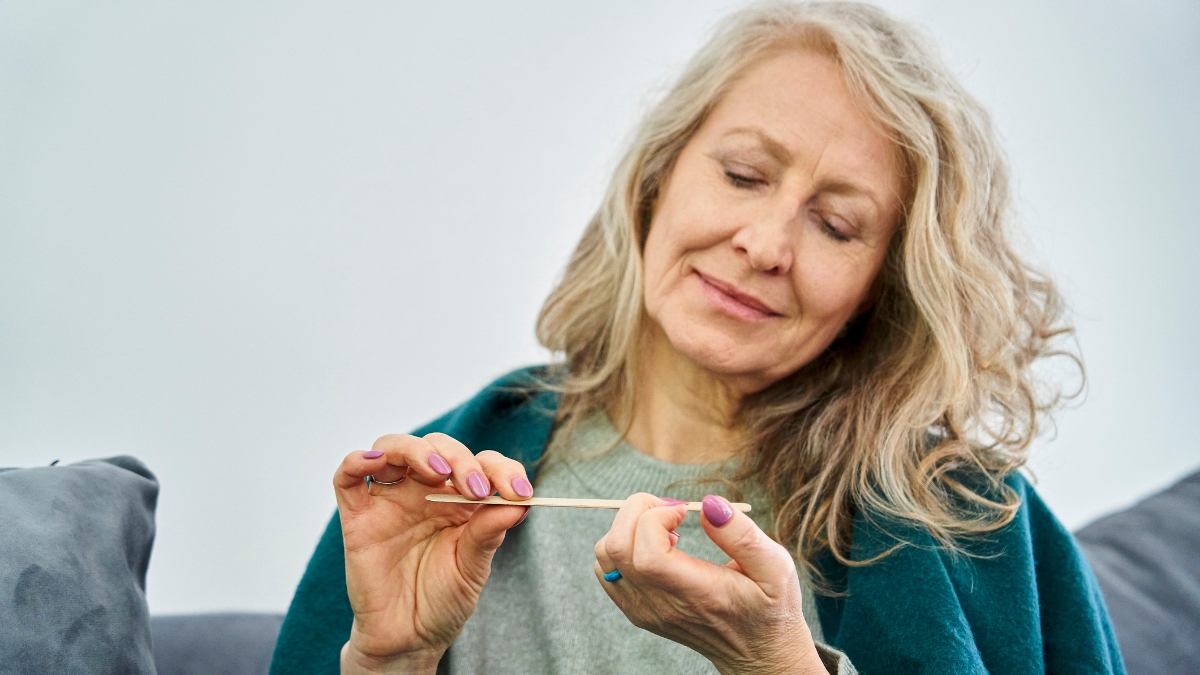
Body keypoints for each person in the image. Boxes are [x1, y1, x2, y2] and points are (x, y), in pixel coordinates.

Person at [270, 2, 1125, 674]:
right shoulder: (453, 473)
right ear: (657, 176)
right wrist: (393, 659)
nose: (766, 243)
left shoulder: (966, 518)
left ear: (881, 290)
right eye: (744, 174)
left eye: (835, 224)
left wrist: (777, 665)